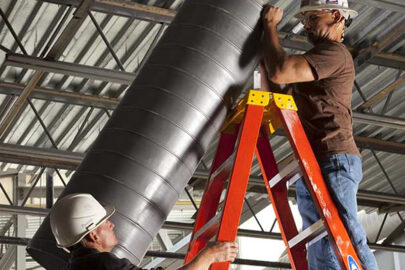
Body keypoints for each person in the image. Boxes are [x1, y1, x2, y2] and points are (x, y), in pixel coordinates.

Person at [261, 0, 379, 269]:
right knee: (321, 245)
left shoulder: (334, 53)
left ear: (336, 16)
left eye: (312, 17)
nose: (306, 25)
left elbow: (280, 70)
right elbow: (277, 95)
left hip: (334, 157)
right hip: (315, 161)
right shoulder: (315, 67)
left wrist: (269, 27)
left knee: (345, 237)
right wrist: (263, 54)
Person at [50, 193, 238, 270]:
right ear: (93, 234)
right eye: (105, 222)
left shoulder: (77, 266)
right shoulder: (103, 264)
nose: (112, 225)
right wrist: (211, 254)